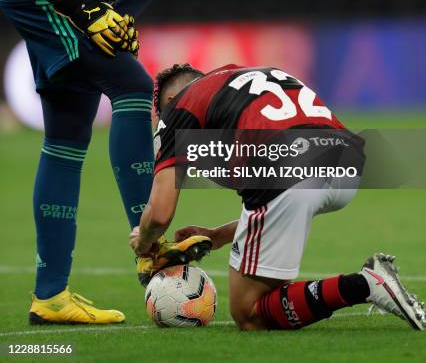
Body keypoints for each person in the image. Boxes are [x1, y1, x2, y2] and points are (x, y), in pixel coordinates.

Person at [0, 0, 221, 324]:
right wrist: (83, 10)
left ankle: (50, 297)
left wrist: (118, 16)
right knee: (134, 85)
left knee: (67, 135)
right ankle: (148, 243)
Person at [130, 63, 426, 332]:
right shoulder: (242, 81)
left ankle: (364, 284)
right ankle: (364, 284)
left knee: (248, 312)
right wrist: (219, 235)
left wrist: (144, 245)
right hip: (346, 164)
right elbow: (275, 206)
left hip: (286, 168)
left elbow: (159, 214)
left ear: (169, 102)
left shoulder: (180, 107)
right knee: (269, 288)